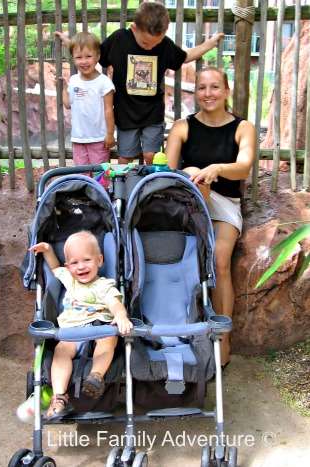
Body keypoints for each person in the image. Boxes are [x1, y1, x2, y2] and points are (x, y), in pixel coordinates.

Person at [56, 1, 224, 165]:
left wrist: (209, 44)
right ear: (134, 28)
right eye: (145, 43)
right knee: (125, 158)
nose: (150, 47)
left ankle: (148, 188)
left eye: (155, 43)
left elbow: (185, 56)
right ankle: (125, 190)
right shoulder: (119, 39)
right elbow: (91, 51)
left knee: (152, 155)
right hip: (126, 114)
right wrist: (69, 42)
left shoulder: (164, 45)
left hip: (152, 114)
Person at [165, 66, 256, 366]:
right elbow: (169, 172)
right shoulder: (182, 127)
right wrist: (197, 175)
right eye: (202, 88)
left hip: (225, 204)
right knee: (192, 174)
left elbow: (243, 167)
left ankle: (223, 335)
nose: (208, 94)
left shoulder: (243, 128)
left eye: (215, 87)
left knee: (219, 260)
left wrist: (218, 168)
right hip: (188, 201)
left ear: (227, 91)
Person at [29, 231, 133, 418]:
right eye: (74, 263)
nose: (81, 267)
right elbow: (54, 268)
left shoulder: (104, 285)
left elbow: (115, 303)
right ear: (68, 266)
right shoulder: (69, 280)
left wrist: (121, 316)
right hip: (72, 331)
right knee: (61, 352)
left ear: (99, 260)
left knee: (108, 342)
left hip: (99, 327)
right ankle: (59, 397)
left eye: (87, 260)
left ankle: (96, 376)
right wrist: (48, 250)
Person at [61, 32, 115, 166]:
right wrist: (63, 88)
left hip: (99, 139)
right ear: (73, 59)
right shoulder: (73, 80)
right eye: (78, 57)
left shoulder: (104, 83)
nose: (83, 61)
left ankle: (101, 188)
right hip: (78, 139)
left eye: (88, 56)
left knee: (100, 175)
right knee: (82, 175)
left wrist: (110, 134)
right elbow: (68, 104)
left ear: (97, 57)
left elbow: (109, 110)